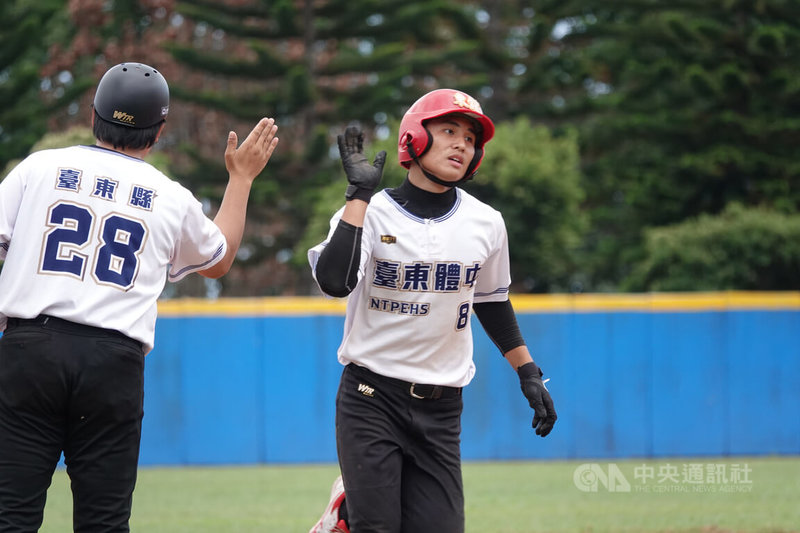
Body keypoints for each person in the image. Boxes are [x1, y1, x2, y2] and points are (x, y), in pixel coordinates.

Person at [0, 62, 279, 532]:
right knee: (104, 523)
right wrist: (241, 178)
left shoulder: (40, 167)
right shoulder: (170, 196)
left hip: (32, 351)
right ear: (159, 130)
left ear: (94, 115)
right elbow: (219, 258)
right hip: (113, 363)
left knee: (10, 514)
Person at [307, 88, 557, 533]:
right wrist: (358, 198)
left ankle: (347, 511)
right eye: (448, 131)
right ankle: (349, 516)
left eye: (471, 138)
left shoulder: (486, 222)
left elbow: (492, 300)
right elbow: (333, 282)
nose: (463, 144)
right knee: (378, 528)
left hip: (442, 407)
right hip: (371, 396)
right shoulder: (373, 210)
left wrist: (528, 371)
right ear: (414, 139)